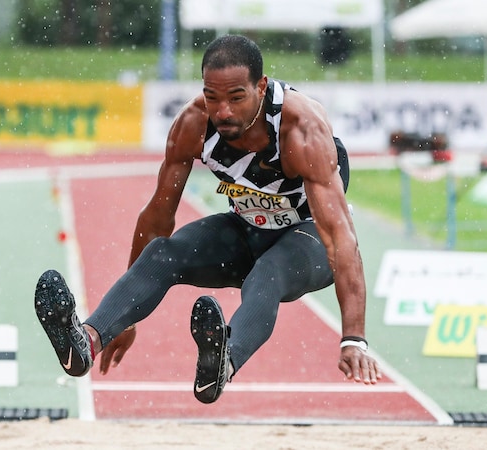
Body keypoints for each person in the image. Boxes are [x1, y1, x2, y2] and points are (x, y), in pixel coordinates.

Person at [34, 34, 381, 404]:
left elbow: (340, 239)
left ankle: (223, 363)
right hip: (246, 230)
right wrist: (124, 317)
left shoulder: (301, 131)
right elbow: (156, 218)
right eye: (212, 97)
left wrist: (353, 338)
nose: (223, 112)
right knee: (164, 252)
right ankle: (85, 342)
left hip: (306, 239)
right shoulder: (193, 124)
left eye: (236, 98)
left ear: (260, 87)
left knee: (267, 274)